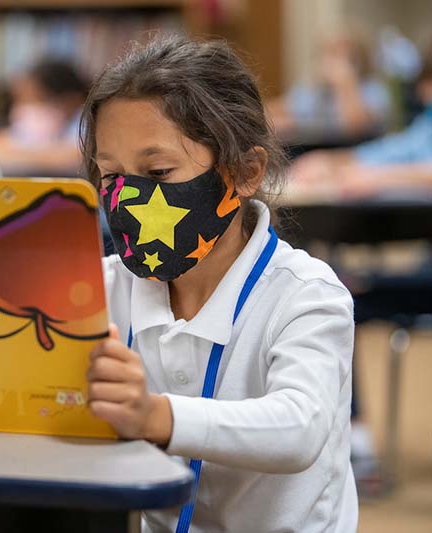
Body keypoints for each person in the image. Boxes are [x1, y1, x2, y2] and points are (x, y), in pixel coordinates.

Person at [82, 36, 356, 532]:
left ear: (245, 172)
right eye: (110, 175)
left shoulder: (307, 293)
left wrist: (156, 416)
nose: (127, 199)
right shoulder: (97, 289)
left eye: (158, 172)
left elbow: (299, 428)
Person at [291, 26, 432, 198]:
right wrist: (331, 163)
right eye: (429, 98)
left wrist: (381, 177)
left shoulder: (374, 92)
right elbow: (391, 151)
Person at [268, 27, 392, 139]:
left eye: (342, 55)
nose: (333, 62)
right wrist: (290, 123)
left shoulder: (373, 89)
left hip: (355, 151)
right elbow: (275, 111)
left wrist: (345, 84)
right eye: (330, 53)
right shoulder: (314, 89)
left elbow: (356, 128)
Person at [0, 59, 87, 175]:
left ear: (69, 99)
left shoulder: (88, 121)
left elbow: (72, 157)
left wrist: (15, 153)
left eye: (36, 100)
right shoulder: (54, 125)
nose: (24, 109)